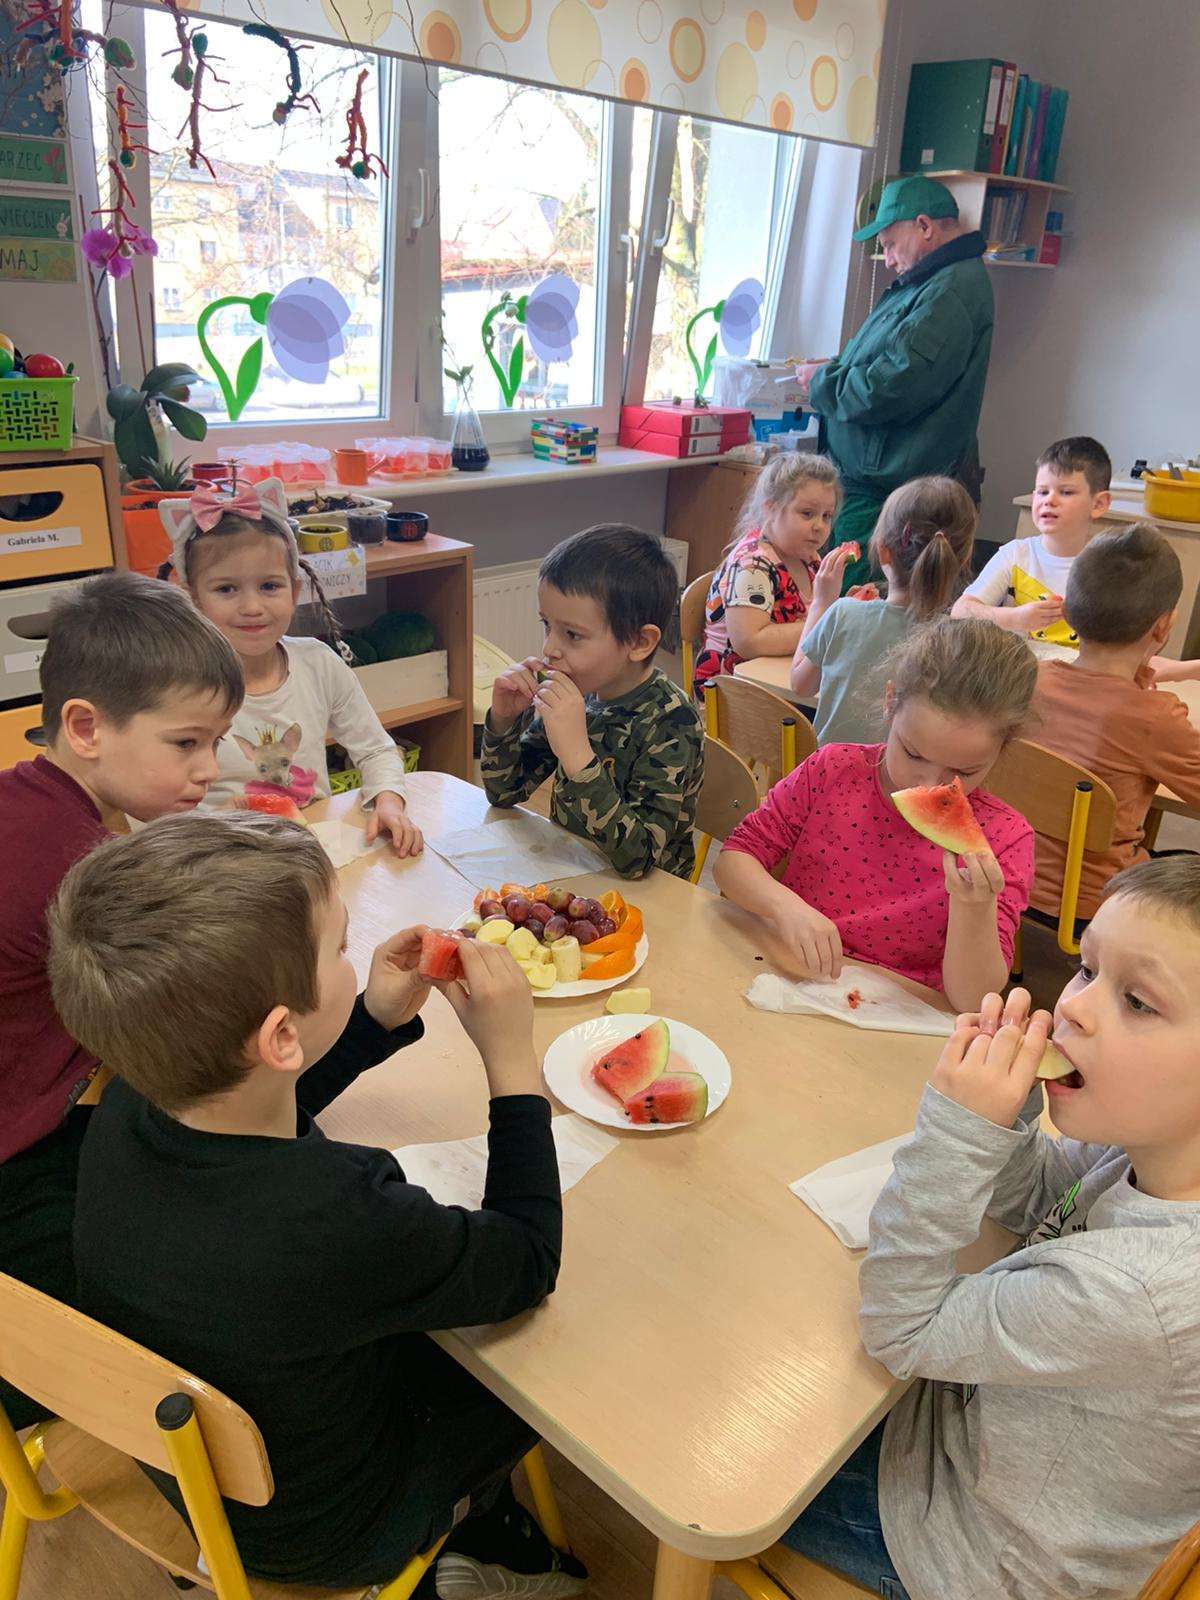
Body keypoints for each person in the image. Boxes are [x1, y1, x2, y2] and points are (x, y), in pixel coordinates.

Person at [51, 813, 586, 1598]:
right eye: (339, 948)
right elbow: (527, 1260)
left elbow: (261, 1102)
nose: (350, 955)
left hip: (202, 1475)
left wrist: (370, 1018)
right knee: (542, 1375)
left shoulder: (130, 1105)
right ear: (279, 1036)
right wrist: (512, 1064)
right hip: (331, 1531)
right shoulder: (337, 1212)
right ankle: (477, 1544)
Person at [783, 856, 1200, 1600]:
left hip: (971, 1550)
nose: (1073, 1007)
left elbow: (900, 1329)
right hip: (972, 1431)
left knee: (715, 1468)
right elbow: (1037, 1194)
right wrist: (1006, 1109)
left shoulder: (1141, 1292)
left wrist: (956, 1135)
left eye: (1137, 1001)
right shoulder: (1156, 1147)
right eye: (1087, 968)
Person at [0, 572, 241, 1428]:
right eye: (186, 744)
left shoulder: (28, 798)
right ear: (85, 728)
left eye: (216, 742)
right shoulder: (80, 868)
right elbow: (189, 1017)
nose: (209, 770)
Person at [713, 617, 1035, 1012]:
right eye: (913, 753)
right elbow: (732, 861)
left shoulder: (1006, 838)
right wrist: (785, 907)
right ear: (890, 702)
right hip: (795, 980)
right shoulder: (832, 769)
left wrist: (975, 906)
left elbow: (971, 999)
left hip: (902, 1013)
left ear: (1002, 749)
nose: (930, 784)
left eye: (964, 772)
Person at [162, 477, 422, 855]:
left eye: (269, 586)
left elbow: (375, 749)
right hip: (219, 853)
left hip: (312, 848)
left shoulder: (319, 663)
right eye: (226, 589)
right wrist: (213, 821)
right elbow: (155, 810)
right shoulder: (174, 687)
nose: (252, 607)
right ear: (193, 600)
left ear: (295, 591)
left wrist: (389, 801)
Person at [795, 176, 994, 591]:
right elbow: (893, 362)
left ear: (924, 226)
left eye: (888, 245)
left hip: (883, 488)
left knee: (853, 600)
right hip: (876, 478)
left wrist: (823, 382)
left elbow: (893, 386)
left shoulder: (949, 292)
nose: (886, 259)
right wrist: (838, 367)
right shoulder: (930, 282)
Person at [482, 523, 703, 880]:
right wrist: (503, 722)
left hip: (648, 898)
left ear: (640, 643)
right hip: (573, 875)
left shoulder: (672, 720)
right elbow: (504, 791)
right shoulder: (579, 691)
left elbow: (639, 861)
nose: (549, 648)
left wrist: (577, 757)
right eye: (547, 625)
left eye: (572, 634)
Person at [1030, 524, 1200, 922]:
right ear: (1163, 626)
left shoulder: (1028, 680)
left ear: (1067, 613)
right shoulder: (1155, 719)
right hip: (1097, 906)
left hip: (1010, 880)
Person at [790, 476, 976, 745]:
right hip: (904, 773)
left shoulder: (843, 613)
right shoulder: (961, 641)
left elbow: (800, 684)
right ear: (965, 555)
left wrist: (821, 603)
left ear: (883, 551)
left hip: (831, 769)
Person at [691, 454, 869, 698]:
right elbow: (749, 642)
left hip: (781, 684)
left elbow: (812, 613)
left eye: (826, 516)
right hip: (732, 696)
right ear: (771, 509)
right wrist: (822, 624)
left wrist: (843, 607)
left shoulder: (808, 557)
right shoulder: (752, 566)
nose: (819, 526)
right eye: (807, 513)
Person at [953, 435, 1112, 640]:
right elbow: (961, 611)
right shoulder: (1015, 554)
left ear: (1098, 504)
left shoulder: (1108, 567)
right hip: (1020, 660)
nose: (1049, 500)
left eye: (1065, 492)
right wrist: (1014, 618)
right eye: (1043, 492)